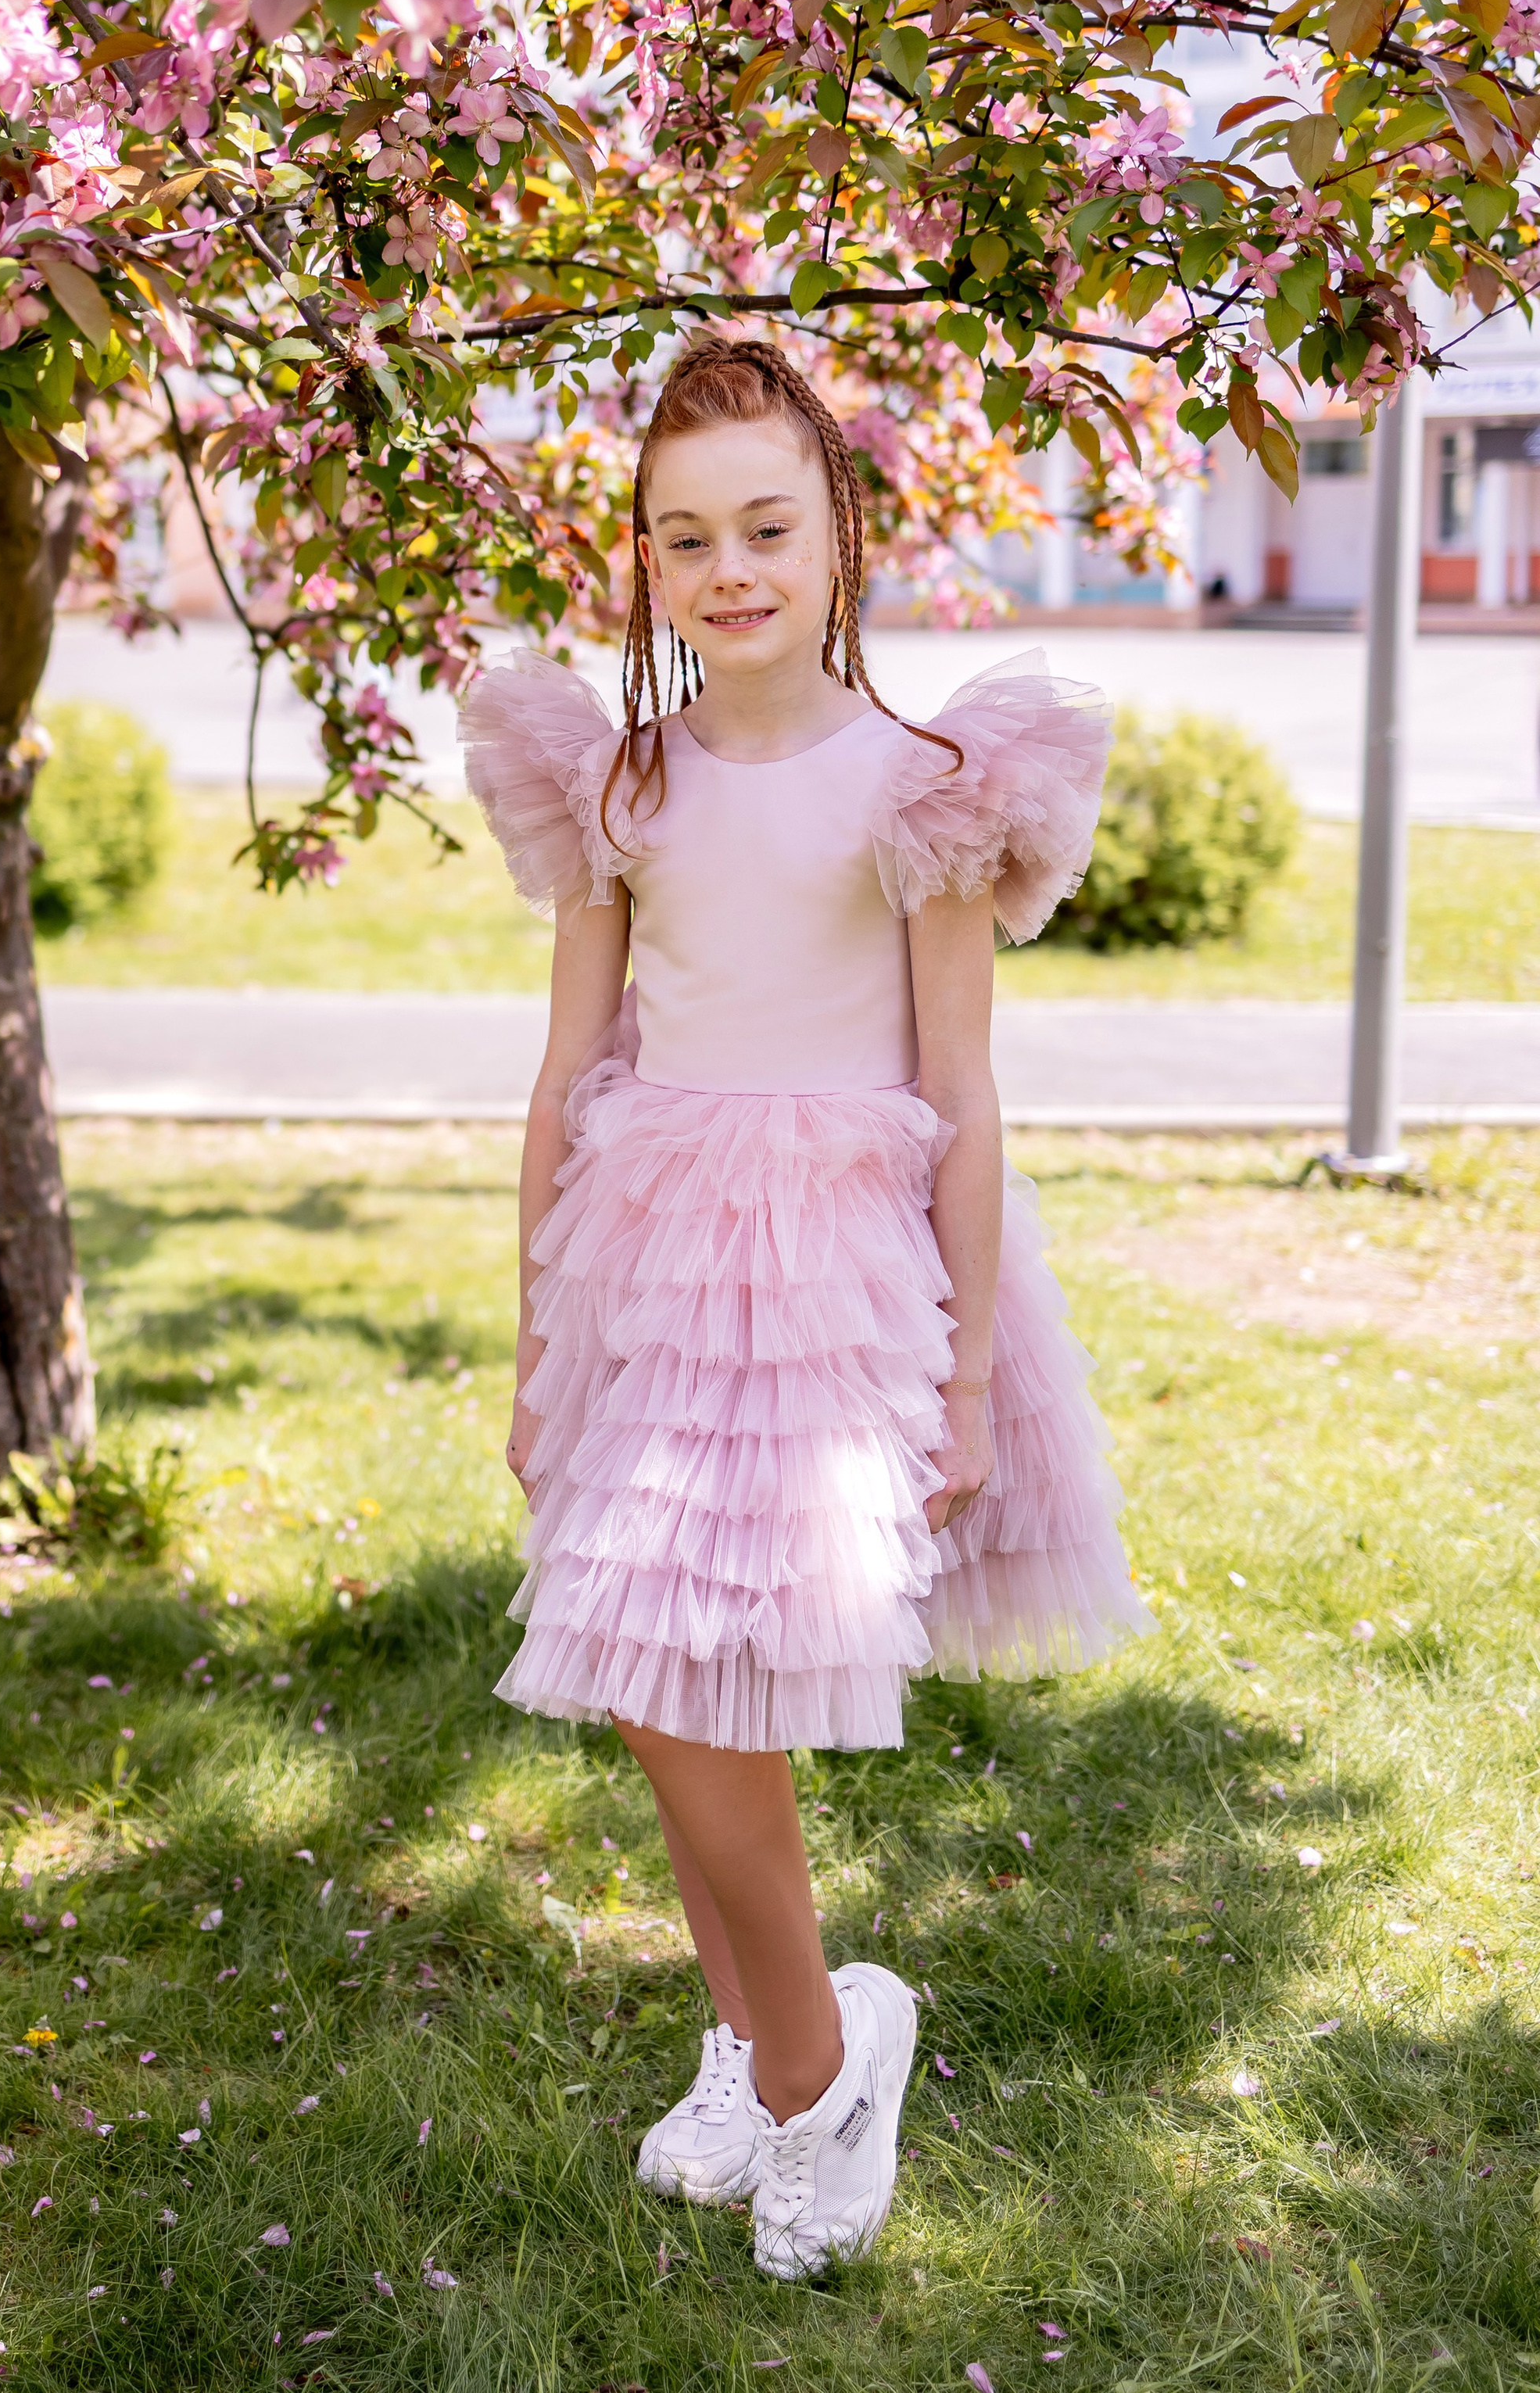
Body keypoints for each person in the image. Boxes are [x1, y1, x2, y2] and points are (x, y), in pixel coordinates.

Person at [458, 331, 1148, 2282]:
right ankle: (772, 2041)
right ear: (649, 564)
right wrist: (534, 1339)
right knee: (651, 1676)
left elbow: (959, 1092)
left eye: (766, 522)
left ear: (840, 530)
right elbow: (563, 1073)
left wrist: (957, 1397)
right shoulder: (619, 784)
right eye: (686, 539)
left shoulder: (921, 785)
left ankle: (823, 2065)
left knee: (708, 1687)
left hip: (835, 1274)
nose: (729, 567)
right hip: (651, 1264)